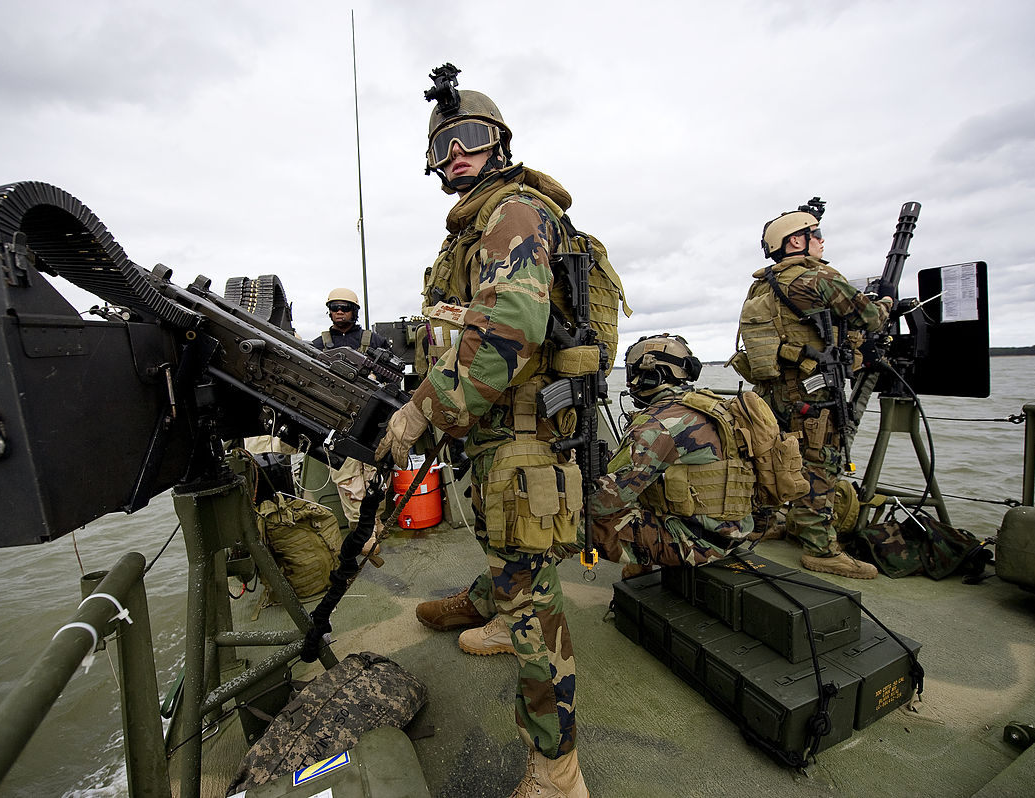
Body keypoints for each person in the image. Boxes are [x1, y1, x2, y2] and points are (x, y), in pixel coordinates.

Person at [376, 64, 606, 798]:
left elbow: (510, 331)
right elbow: (460, 339)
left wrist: (422, 411)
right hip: (494, 430)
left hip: (523, 433)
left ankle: (557, 770)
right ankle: (501, 613)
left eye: (469, 139)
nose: (455, 156)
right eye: (442, 146)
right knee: (512, 564)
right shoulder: (471, 226)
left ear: (499, 143)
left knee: (538, 602)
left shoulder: (512, 212)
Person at [737, 205, 892, 579]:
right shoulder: (815, 278)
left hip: (771, 389)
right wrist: (885, 302)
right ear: (796, 241)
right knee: (820, 463)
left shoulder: (762, 284)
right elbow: (868, 316)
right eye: (816, 235)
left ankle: (763, 522)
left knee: (769, 455)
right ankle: (819, 547)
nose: (821, 242)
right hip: (811, 392)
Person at [586, 334, 757, 571]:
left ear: (650, 374)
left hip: (698, 543)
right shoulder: (709, 405)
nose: (629, 384)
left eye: (632, 374)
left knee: (570, 522)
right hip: (731, 530)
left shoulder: (658, 424)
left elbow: (602, 502)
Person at [312, 289, 390, 533]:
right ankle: (359, 528)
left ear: (354, 311)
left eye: (344, 307)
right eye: (334, 308)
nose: (339, 312)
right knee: (346, 475)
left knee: (374, 471)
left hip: (371, 418)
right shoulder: (319, 344)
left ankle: (376, 522)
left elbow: (392, 380)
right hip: (336, 419)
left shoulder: (374, 341)